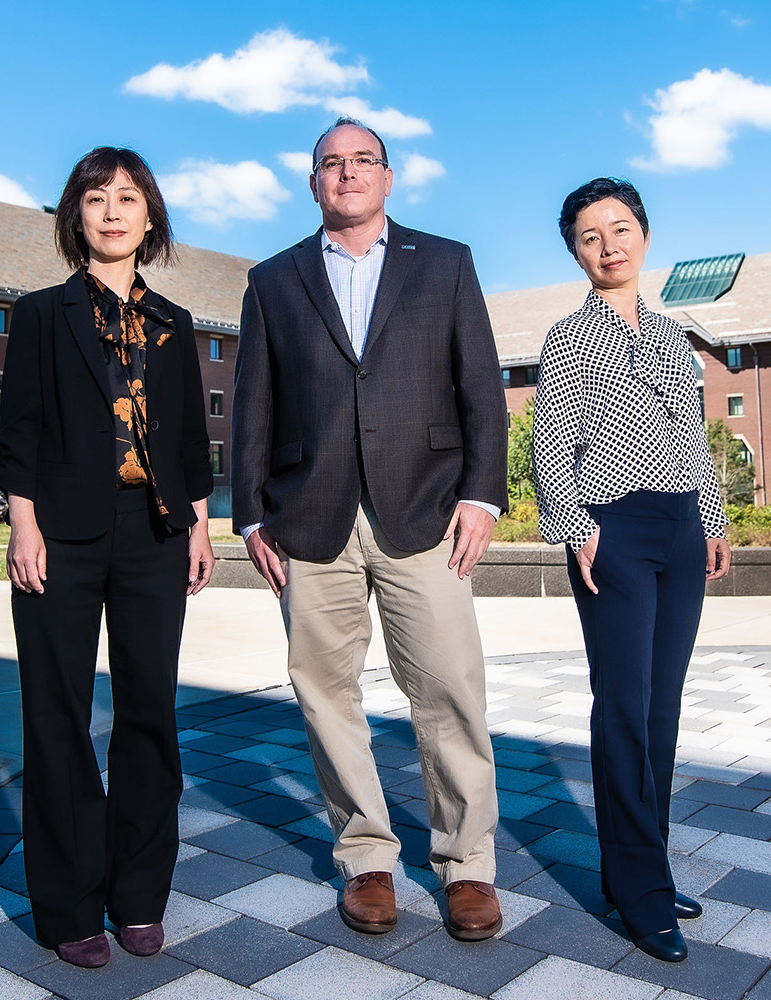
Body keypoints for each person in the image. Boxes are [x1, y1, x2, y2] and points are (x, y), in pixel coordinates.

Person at [231, 117, 509, 942]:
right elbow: (253, 404)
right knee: (325, 692)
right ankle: (367, 860)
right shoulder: (272, 279)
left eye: (363, 161)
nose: (347, 173)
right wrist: (250, 512)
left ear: (389, 178)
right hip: (306, 519)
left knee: (450, 689)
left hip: (424, 512)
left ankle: (467, 867)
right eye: (331, 163)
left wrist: (483, 497)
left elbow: (480, 391)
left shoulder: (447, 264)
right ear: (312, 183)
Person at [0, 146, 214, 969]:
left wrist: (199, 524)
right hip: (61, 532)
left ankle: (139, 895)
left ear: (150, 216)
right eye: (96, 198)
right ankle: (70, 904)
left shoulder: (175, 323)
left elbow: (190, 439)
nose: (113, 211)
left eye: (129, 198)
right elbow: (17, 433)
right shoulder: (41, 315)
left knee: (150, 713)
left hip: (155, 535)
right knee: (57, 717)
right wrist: (23, 525)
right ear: (74, 216)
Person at [531, 177, 732, 963]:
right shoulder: (569, 337)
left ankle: (644, 866)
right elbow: (553, 445)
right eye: (590, 236)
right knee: (622, 708)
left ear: (644, 235)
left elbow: (695, 437)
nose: (608, 246)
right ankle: (640, 894)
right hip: (613, 531)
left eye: (620, 229)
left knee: (661, 712)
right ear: (577, 252)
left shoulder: (676, 334)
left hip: (681, 529)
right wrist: (577, 530)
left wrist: (712, 522)